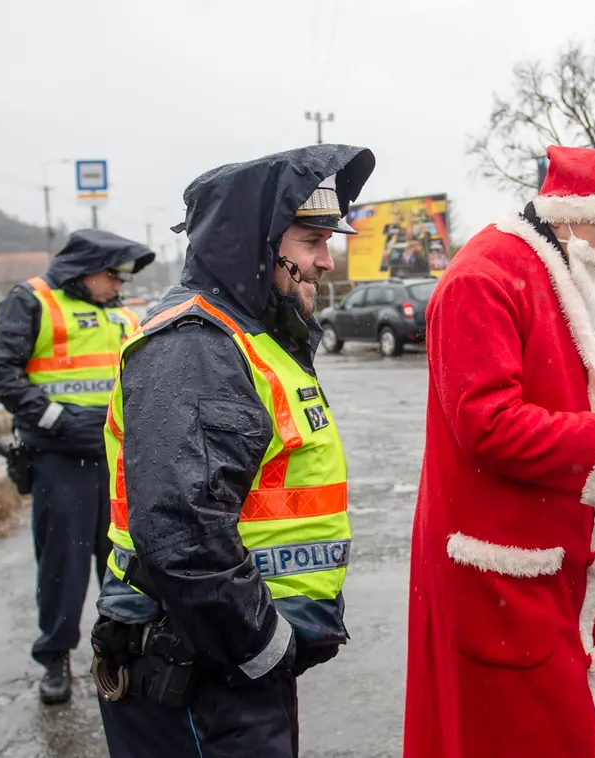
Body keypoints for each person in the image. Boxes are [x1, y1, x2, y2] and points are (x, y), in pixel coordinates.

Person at [404, 144, 595, 758]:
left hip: (541, 568)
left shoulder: (569, 271)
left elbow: (575, 404)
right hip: (497, 573)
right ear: (568, 212)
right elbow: (487, 425)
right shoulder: (483, 278)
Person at [92, 144, 375, 757]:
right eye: (310, 242)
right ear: (257, 242)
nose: (327, 261)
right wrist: (264, 645)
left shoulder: (253, 335)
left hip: (222, 664)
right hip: (200, 673)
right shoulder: (195, 346)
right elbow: (180, 531)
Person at [0, 230, 154, 704]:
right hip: (61, 461)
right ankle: (55, 659)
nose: (120, 285)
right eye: (114, 275)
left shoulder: (120, 313)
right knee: (64, 567)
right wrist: (56, 418)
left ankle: (122, 651)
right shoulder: (32, 301)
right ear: (84, 271)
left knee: (124, 562)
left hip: (118, 461)